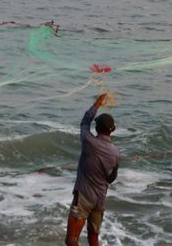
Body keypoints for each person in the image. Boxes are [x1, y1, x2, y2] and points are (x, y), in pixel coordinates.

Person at [65, 92, 120, 246]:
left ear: (96, 128)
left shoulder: (89, 141)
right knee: (93, 239)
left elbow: (85, 121)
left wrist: (97, 103)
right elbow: (111, 178)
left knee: (71, 240)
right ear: (113, 129)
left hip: (84, 197)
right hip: (100, 200)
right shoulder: (115, 152)